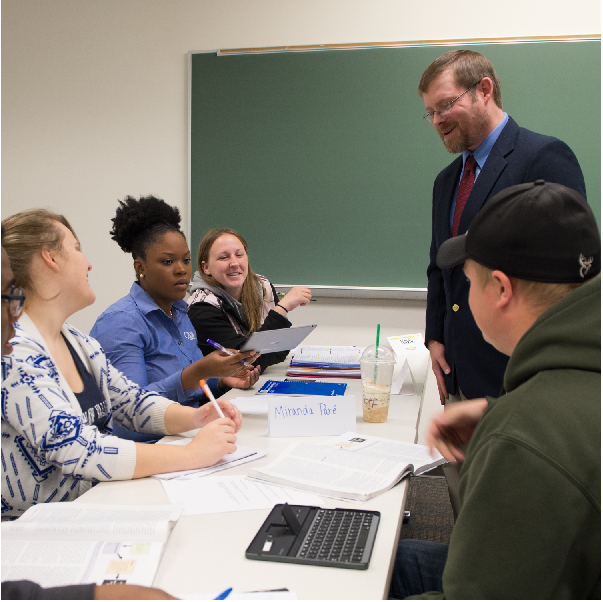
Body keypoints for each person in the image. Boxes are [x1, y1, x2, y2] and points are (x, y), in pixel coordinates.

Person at [389, 180, 601, 599]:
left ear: (502, 290)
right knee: (390, 556)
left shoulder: (522, 437)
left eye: (469, 282)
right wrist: (495, 411)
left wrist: (508, 425)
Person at [418, 49, 587, 516]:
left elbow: (568, 273)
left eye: (445, 105)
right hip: (458, 372)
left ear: (485, 90)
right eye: (430, 112)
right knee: (468, 506)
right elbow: (439, 265)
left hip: (517, 375)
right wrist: (435, 335)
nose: (436, 120)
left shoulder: (543, 156)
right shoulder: (445, 180)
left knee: (521, 512)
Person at [1, 209, 245, 520]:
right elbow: (79, 449)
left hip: (93, 508)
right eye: (76, 248)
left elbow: (131, 402)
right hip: (36, 533)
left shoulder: (76, 341)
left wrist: (196, 417)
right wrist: (190, 454)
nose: (88, 262)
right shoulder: (15, 351)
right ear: (50, 259)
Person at [90, 197, 261, 442]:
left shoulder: (180, 312)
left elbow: (193, 389)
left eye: (186, 260)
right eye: (168, 262)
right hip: (150, 449)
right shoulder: (120, 323)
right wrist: (195, 373)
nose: (181, 269)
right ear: (141, 266)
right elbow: (128, 414)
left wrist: (221, 380)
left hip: (188, 435)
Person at [187, 228, 312, 373]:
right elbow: (247, 365)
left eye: (239, 255)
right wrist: (282, 308)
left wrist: (264, 351)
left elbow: (279, 351)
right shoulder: (201, 308)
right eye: (223, 257)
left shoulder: (262, 287)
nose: (234, 263)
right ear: (206, 267)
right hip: (220, 391)